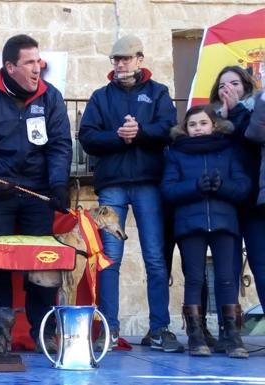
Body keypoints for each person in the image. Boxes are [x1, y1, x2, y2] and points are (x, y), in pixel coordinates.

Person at [0, 34, 72, 354]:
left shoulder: (50, 97)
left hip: (38, 195)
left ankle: (44, 331)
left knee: (43, 265)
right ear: (10, 67)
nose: (37, 68)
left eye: (38, 61)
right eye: (29, 62)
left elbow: (60, 146)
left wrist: (58, 185)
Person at [79, 34, 183, 352]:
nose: (120, 64)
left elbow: (170, 128)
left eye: (125, 58)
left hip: (150, 184)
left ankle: (159, 329)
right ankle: (108, 328)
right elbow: (87, 136)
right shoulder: (100, 97)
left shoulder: (158, 93)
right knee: (109, 260)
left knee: (155, 258)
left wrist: (139, 133)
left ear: (140, 59)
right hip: (111, 186)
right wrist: (118, 136)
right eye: (116, 59)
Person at [161, 105, 250, 358]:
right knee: (195, 279)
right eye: (192, 125)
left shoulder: (229, 151)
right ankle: (196, 336)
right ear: (185, 129)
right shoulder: (176, 154)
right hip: (190, 225)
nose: (198, 128)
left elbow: (243, 187)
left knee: (226, 278)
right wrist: (195, 187)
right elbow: (168, 190)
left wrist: (223, 187)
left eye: (203, 123)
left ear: (214, 125)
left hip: (225, 223)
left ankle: (232, 336)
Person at [209, 67, 265, 330]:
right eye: (222, 85)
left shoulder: (256, 111)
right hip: (224, 203)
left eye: (233, 83)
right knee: (226, 270)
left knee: (261, 265)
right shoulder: (208, 120)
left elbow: (250, 138)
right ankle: (227, 330)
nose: (227, 89)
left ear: (246, 86)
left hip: (253, 202)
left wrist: (236, 111)